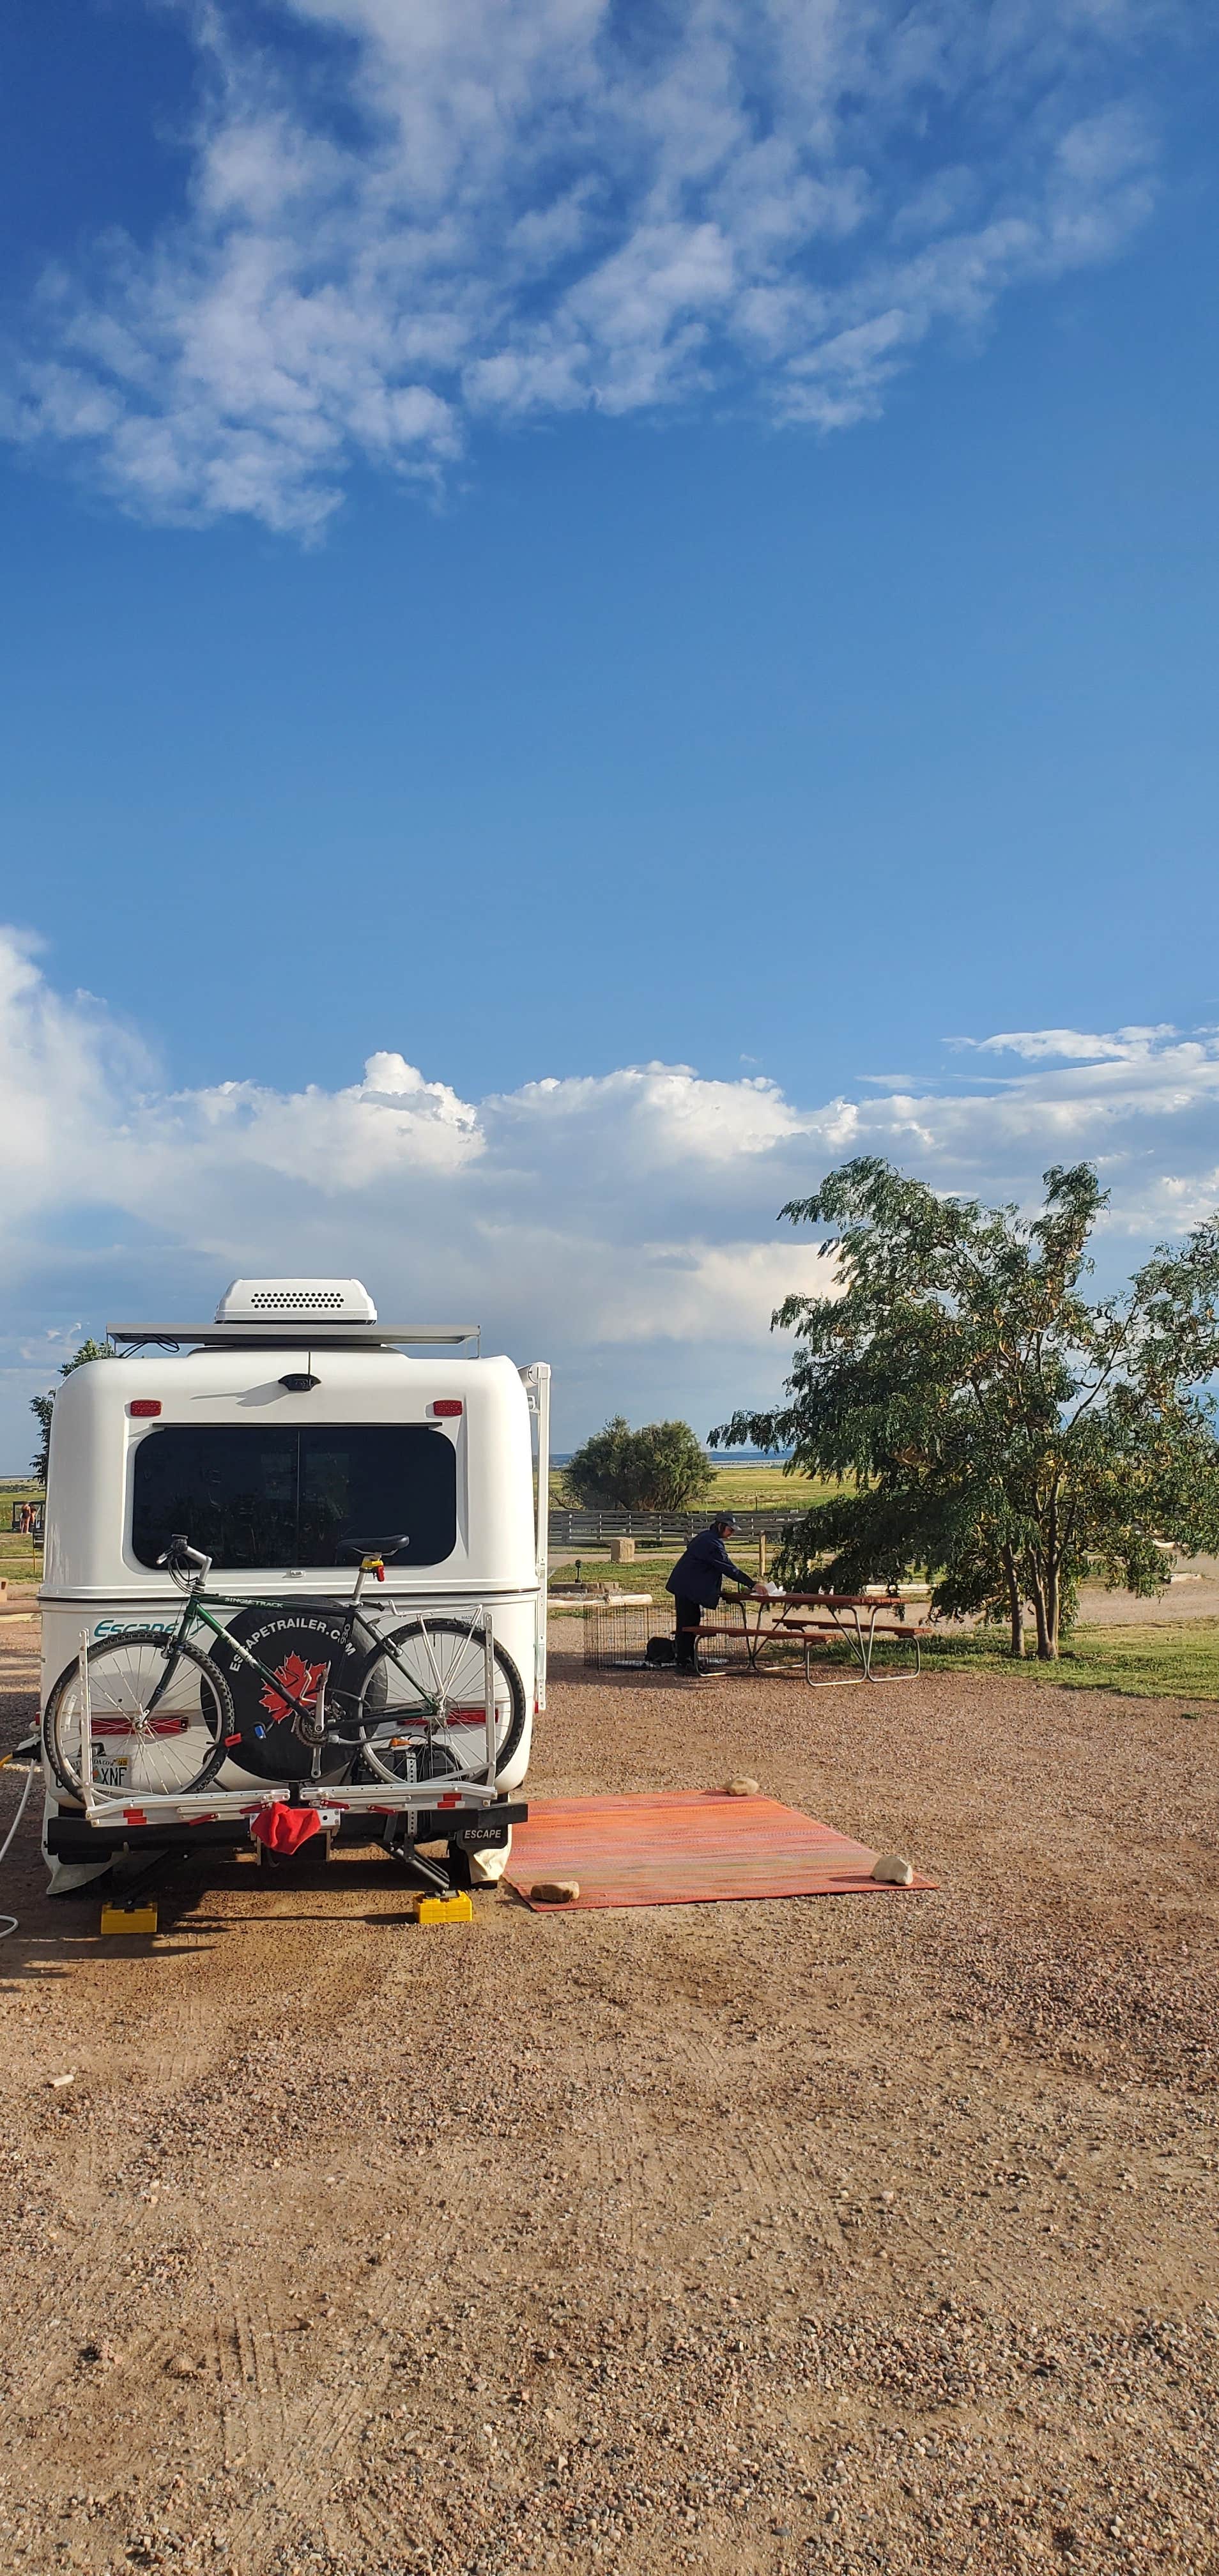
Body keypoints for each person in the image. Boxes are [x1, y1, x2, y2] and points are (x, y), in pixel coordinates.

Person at [666, 1515, 766, 1673]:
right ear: (720, 1526)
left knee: (690, 1623)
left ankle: (689, 1661)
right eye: (730, 1529)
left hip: (686, 1586)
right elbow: (728, 1568)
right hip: (687, 1587)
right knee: (688, 1625)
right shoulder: (711, 1543)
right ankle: (685, 1663)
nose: (732, 1533)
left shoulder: (706, 1537)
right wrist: (752, 1584)